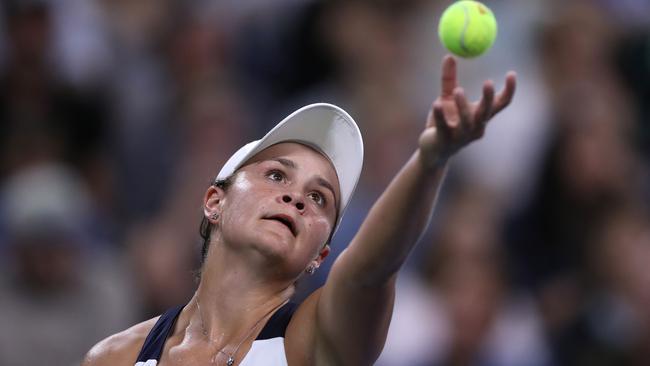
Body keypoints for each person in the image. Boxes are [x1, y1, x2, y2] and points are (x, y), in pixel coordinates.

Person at [82, 55, 516, 366]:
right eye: (276, 176)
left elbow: (371, 269)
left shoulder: (315, 339)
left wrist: (430, 160)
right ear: (215, 201)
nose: (297, 197)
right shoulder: (114, 357)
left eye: (320, 198)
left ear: (319, 256)